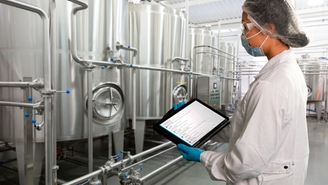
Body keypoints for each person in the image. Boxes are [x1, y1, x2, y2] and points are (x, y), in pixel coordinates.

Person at [177, 0, 310, 184]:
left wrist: (203, 156)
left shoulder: (271, 85)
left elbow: (244, 164)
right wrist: (198, 123)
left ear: (269, 28)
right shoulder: (289, 71)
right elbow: (244, 128)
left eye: (245, 26)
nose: (243, 34)